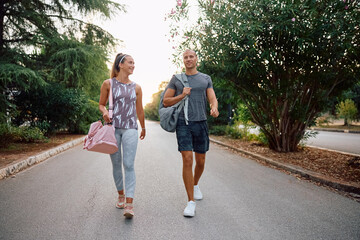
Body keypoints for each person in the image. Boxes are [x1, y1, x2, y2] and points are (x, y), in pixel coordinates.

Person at [163, 49, 219, 217]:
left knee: (200, 161)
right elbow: (166, 102)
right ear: (183, 60)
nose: (188, 59)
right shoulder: (177, 79)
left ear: (196, 59)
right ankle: (190, 202)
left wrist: (214, 107)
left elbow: (212, 97)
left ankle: (195, 184)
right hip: (183, 123)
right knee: (187, 159)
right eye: (185, 57)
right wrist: (182, 95)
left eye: (191, 56)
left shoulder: (205, 79)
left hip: (201, 122)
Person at [99, 53, 146, 219]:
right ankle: (120, 194)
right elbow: (101, 104)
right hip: (113, 128)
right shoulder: (108, 84)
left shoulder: (137, 87)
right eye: (130, 62)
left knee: (129, 164)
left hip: (131, 128)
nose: (133, 65)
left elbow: (140, 110)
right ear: (120, 65)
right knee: (116, 163)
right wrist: (105, 113)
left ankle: (129, 203)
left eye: (134, 63)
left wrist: (143, 127)